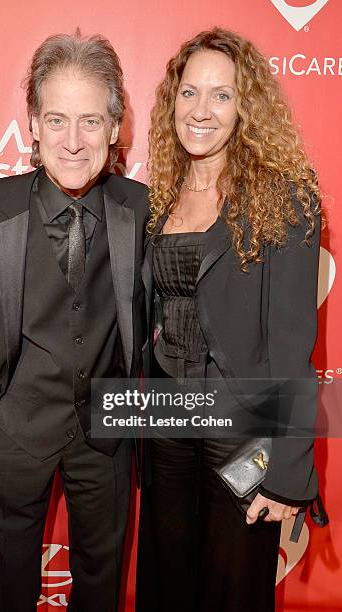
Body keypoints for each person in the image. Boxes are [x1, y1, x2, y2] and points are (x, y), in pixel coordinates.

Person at [0, 32, 148, 612]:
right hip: (11, 436)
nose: (73, 142)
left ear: (114, 126)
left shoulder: (145, 209)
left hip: (108, 440)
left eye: (89, 121)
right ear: (32, 123)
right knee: (7, 591)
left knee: (102, 589)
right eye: (56, 120)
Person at [137, 28, 321, 612]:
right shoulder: (159, 194)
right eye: (190, 93)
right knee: (168, 577)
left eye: (222, 95)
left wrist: (289, 473)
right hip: (166, 420)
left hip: (241, 434)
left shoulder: (284, 199)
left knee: (232, 582)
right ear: (172, 101)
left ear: (247, 107)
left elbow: (293, 346)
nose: (202, 111)